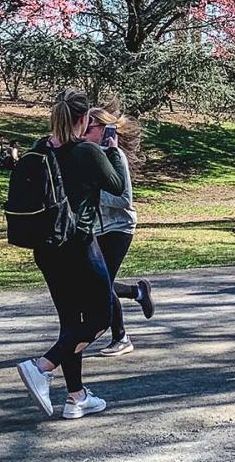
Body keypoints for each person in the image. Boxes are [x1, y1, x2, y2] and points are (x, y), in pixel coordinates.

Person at [15, 90, 128, 420]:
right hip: (79, 245)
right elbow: (117, 185)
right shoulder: (88, 152)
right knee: (99, 319)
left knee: (71, 324)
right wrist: (113, 150)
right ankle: (42, 366)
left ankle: (76, 397)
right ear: (83, 121)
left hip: (46, 247)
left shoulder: (39, 149)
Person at [86, 107, 155, 358]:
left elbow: (123, 199)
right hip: (94, 228)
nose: (82, 132)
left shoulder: (116, 157)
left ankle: (121, 338)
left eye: (88, 128)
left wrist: (91, 193)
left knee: (101, 283)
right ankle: (137, 291)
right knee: (95, 282)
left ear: (104, 130)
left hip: (119, 227)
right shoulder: (86, 155)